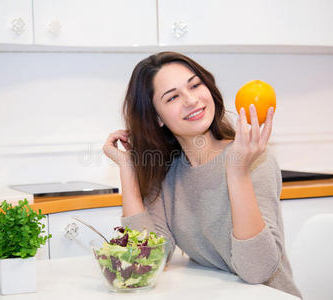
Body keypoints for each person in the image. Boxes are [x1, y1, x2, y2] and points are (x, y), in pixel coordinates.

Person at [103, 51, 302, 298]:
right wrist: (129, 170)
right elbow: (144, 261)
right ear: (157, 118)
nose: (191, 100)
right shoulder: (168, 172)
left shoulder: (254, 161)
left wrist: (237, 173)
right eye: (173, 97)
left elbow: (257, 270)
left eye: (195, 85)